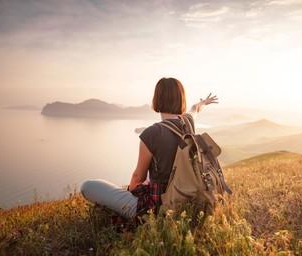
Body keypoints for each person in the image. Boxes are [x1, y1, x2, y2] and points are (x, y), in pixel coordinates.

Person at [81, 77, 218, 219]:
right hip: (187, 196)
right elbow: (195, 109)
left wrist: (132, 192)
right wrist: (203, 103)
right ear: (181, 99)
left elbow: (137, 178)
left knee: (88, 186)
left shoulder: (151, 134)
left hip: (158, 208)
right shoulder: (188, 122)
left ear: (157, 99)